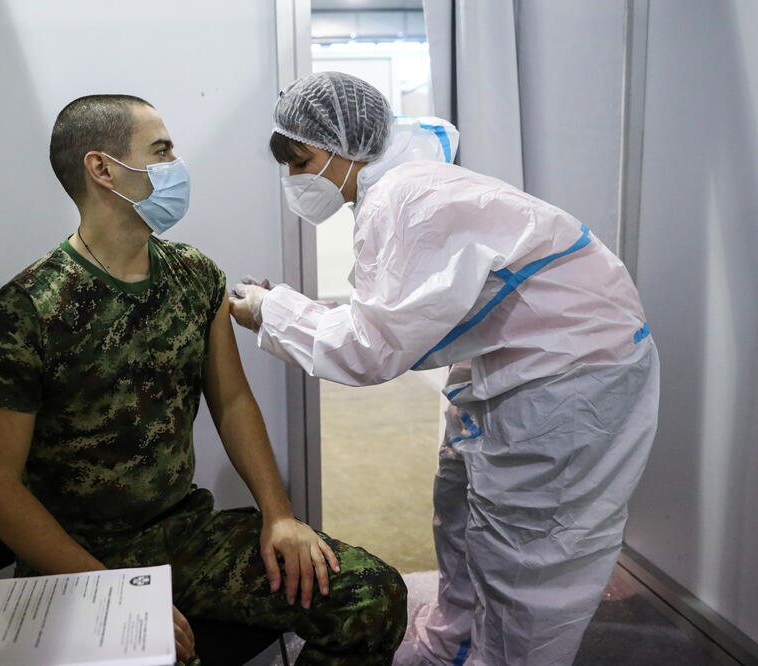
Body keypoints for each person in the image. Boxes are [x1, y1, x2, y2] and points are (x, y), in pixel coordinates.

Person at [229, 72, 660, 666]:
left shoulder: (410, 199)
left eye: (300, 162)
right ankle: (449, 646)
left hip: (570, 375)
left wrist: (271, 312)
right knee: (459, 511)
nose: (295, 180)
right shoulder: (402, 186)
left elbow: (372, 348)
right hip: (514, 358)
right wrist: (287, 309)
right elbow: (400, 315)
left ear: (338, 146)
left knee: (528, 555)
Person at [0, 94, 406, 666]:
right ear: (102, 169)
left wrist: (280, 515)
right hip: (73, 561)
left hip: (181, 537)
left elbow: (234, 400)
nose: (177, 165)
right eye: (161, 150)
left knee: (370, 595)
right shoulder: (26, 311)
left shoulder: (194, 276)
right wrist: (111, 595)